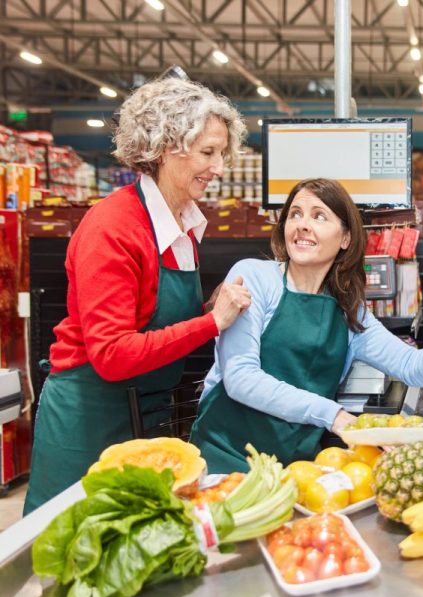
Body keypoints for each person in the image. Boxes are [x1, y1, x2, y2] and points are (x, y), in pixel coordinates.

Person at [24, 78, 253, 514]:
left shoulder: (182, 222)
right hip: (89, 421)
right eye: (208, 153)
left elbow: (155, 319)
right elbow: (111, 352)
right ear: (166, 147)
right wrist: (211, 322)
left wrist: (211, 305)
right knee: (74, 549)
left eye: (222, 153)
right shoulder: (113, 227)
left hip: (146, 414)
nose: (219, 168)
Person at [189, 178, 423, 473]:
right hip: (224, 457)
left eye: (319, 216)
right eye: (295, 214)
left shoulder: (350, 312)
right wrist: (335, 416)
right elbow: (241, 379)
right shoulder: (254, 277)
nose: (302, 224)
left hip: (294, 468)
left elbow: (414, 367)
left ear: (345, 238)